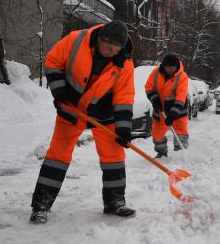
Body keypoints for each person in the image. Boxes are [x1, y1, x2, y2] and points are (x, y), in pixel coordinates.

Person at [30, 20, 136, 223]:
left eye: (116, 50)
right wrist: (61, 94)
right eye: (109, 48)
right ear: (100, 39)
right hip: (72, 108)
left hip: (105, 115)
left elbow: (124, 96)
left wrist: (123, 128)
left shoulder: (125, 62)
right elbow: (53, 62)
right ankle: (40, 205)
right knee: (57, 156)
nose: (112, 53)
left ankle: (115, 202)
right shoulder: (76, 40)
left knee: (114, 157)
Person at [144, 54, 189, 158]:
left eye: (172, 67)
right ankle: (162, 153)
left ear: (176, 66)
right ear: (163, 66)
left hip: (178, 112)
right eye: (168, 67)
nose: (170, 69)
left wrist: (173, 114)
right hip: (160, 110)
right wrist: (154, 99)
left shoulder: (182, 77)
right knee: (157, 135)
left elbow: (180, 97)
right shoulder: (155, 73)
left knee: (181, 132)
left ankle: (180, 154)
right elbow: (148, 87)